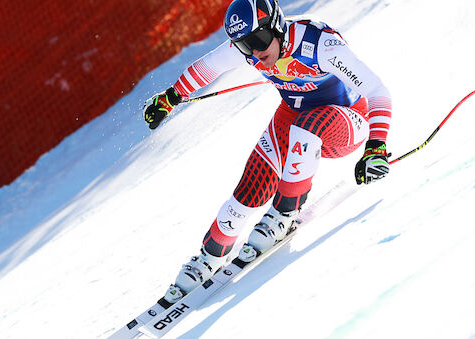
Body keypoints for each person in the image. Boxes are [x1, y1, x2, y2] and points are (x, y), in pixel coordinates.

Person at [143, 0, 391, 303]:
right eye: (245, 46)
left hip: (346, 122)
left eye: (258, 40)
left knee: (308, 126)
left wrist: (376, 147)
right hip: (294, 116)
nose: (255, 52)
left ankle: (284, 212)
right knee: (250, 189)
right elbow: (207, 67)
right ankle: (209, 255)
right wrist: (170, 98)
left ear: (276, 25)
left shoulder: (321, 44)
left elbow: (377, 91)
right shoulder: (252, 47)